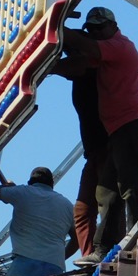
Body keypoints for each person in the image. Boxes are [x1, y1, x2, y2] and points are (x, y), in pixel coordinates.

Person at [61, 6, 138, 260]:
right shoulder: (104, 54)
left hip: (131, 124)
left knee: (131, 185)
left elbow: (88, 50)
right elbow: (79, 66)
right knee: (108, 192)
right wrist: (50, 67)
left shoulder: (120, 46)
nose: (96, 33)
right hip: (119, 130)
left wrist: (59, 30)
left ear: (114, 26)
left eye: (99, 28)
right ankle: (103, 248)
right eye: (91, 29)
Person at [49, 43, 125, 259]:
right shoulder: (82, 74)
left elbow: (75, 66)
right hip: (93, 151)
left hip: (107, 146)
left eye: (72, 53)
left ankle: (115, 250)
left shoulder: (92, 71)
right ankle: (90, 256)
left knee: (108, 204)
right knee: (83, 210)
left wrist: (47, 66)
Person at [0, 166, 75, 276]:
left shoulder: (23, 192)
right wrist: (61, 258)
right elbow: (77, 238)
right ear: (52, 184)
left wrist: (9, 186)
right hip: (54, 266)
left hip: (24, 261)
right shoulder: (66, 205)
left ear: (30, 182)